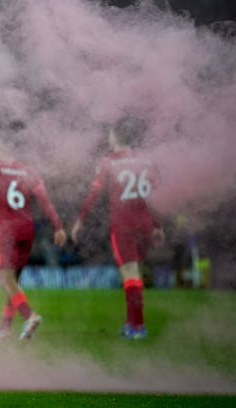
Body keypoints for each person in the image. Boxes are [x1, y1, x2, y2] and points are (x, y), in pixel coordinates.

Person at [71, 116, 165, 340]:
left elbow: (93, 195)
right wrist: (158, 226)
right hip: (144, 223)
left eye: (110, 133)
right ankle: (131, 322)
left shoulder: (108, 162)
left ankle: (138, 326)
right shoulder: (147, 161)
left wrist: (80, 221)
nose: (108, 137)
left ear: (115, 136)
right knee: (135, 273)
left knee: (130, 274)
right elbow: (157, 197)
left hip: (123, 224)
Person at [0, 128, 67, 340]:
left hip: (6, 231)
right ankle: (5, 328)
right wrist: (58, 227)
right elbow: (44, 202)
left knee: (5, 280)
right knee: (14, 281)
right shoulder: (29, 172)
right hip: (27, 230)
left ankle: (30, 316)